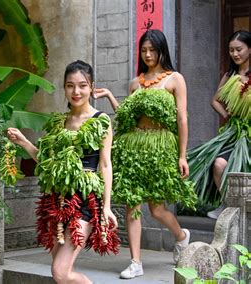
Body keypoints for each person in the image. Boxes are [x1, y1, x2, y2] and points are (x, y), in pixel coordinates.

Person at [7, 60, 120, 284]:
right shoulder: (60, 122)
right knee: (59, 272)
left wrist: (107, 207)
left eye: (82, 85)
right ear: (64, 88)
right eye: (70, 85)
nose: (76, 91)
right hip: (58, 202)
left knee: (61, 272)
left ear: (91, 87)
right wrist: (24, 142)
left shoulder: (101, 121)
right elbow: (48, 163)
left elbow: (105, 165)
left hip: (86, 202)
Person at [97, 29, 197, 279]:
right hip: (134, 147)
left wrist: (182, 155)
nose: (148, 54)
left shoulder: (175, 79)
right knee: (133, 205)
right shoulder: (136, 82)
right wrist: (110, 96)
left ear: (162, 50)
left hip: (160, 146)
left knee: (156, 209)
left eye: (153, 50)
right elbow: (127, 117)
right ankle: (135, 261)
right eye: (144, 50)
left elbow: (182, 118)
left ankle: (182, 236)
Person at [188, 30, 251, 219]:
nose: (235, 54)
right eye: (231, 50)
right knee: (219, 164)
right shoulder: (230, 74)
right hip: (234, 132)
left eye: (239, 49)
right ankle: (227, 206)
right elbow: (215, 100)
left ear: (250, 49)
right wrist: (228, 115)